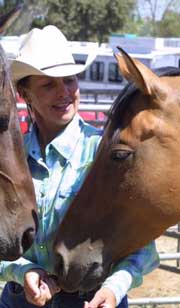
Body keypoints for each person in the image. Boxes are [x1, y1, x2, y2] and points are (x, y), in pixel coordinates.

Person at [0, 25, 159, 308]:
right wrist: (22, 271)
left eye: (70, 80)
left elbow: (141, 248)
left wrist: (113, 289)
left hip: (93, 301)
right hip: (19, 300)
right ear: (26, 94)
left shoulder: (107, 155)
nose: (64, 92)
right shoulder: (10, 163)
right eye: (49, 84)